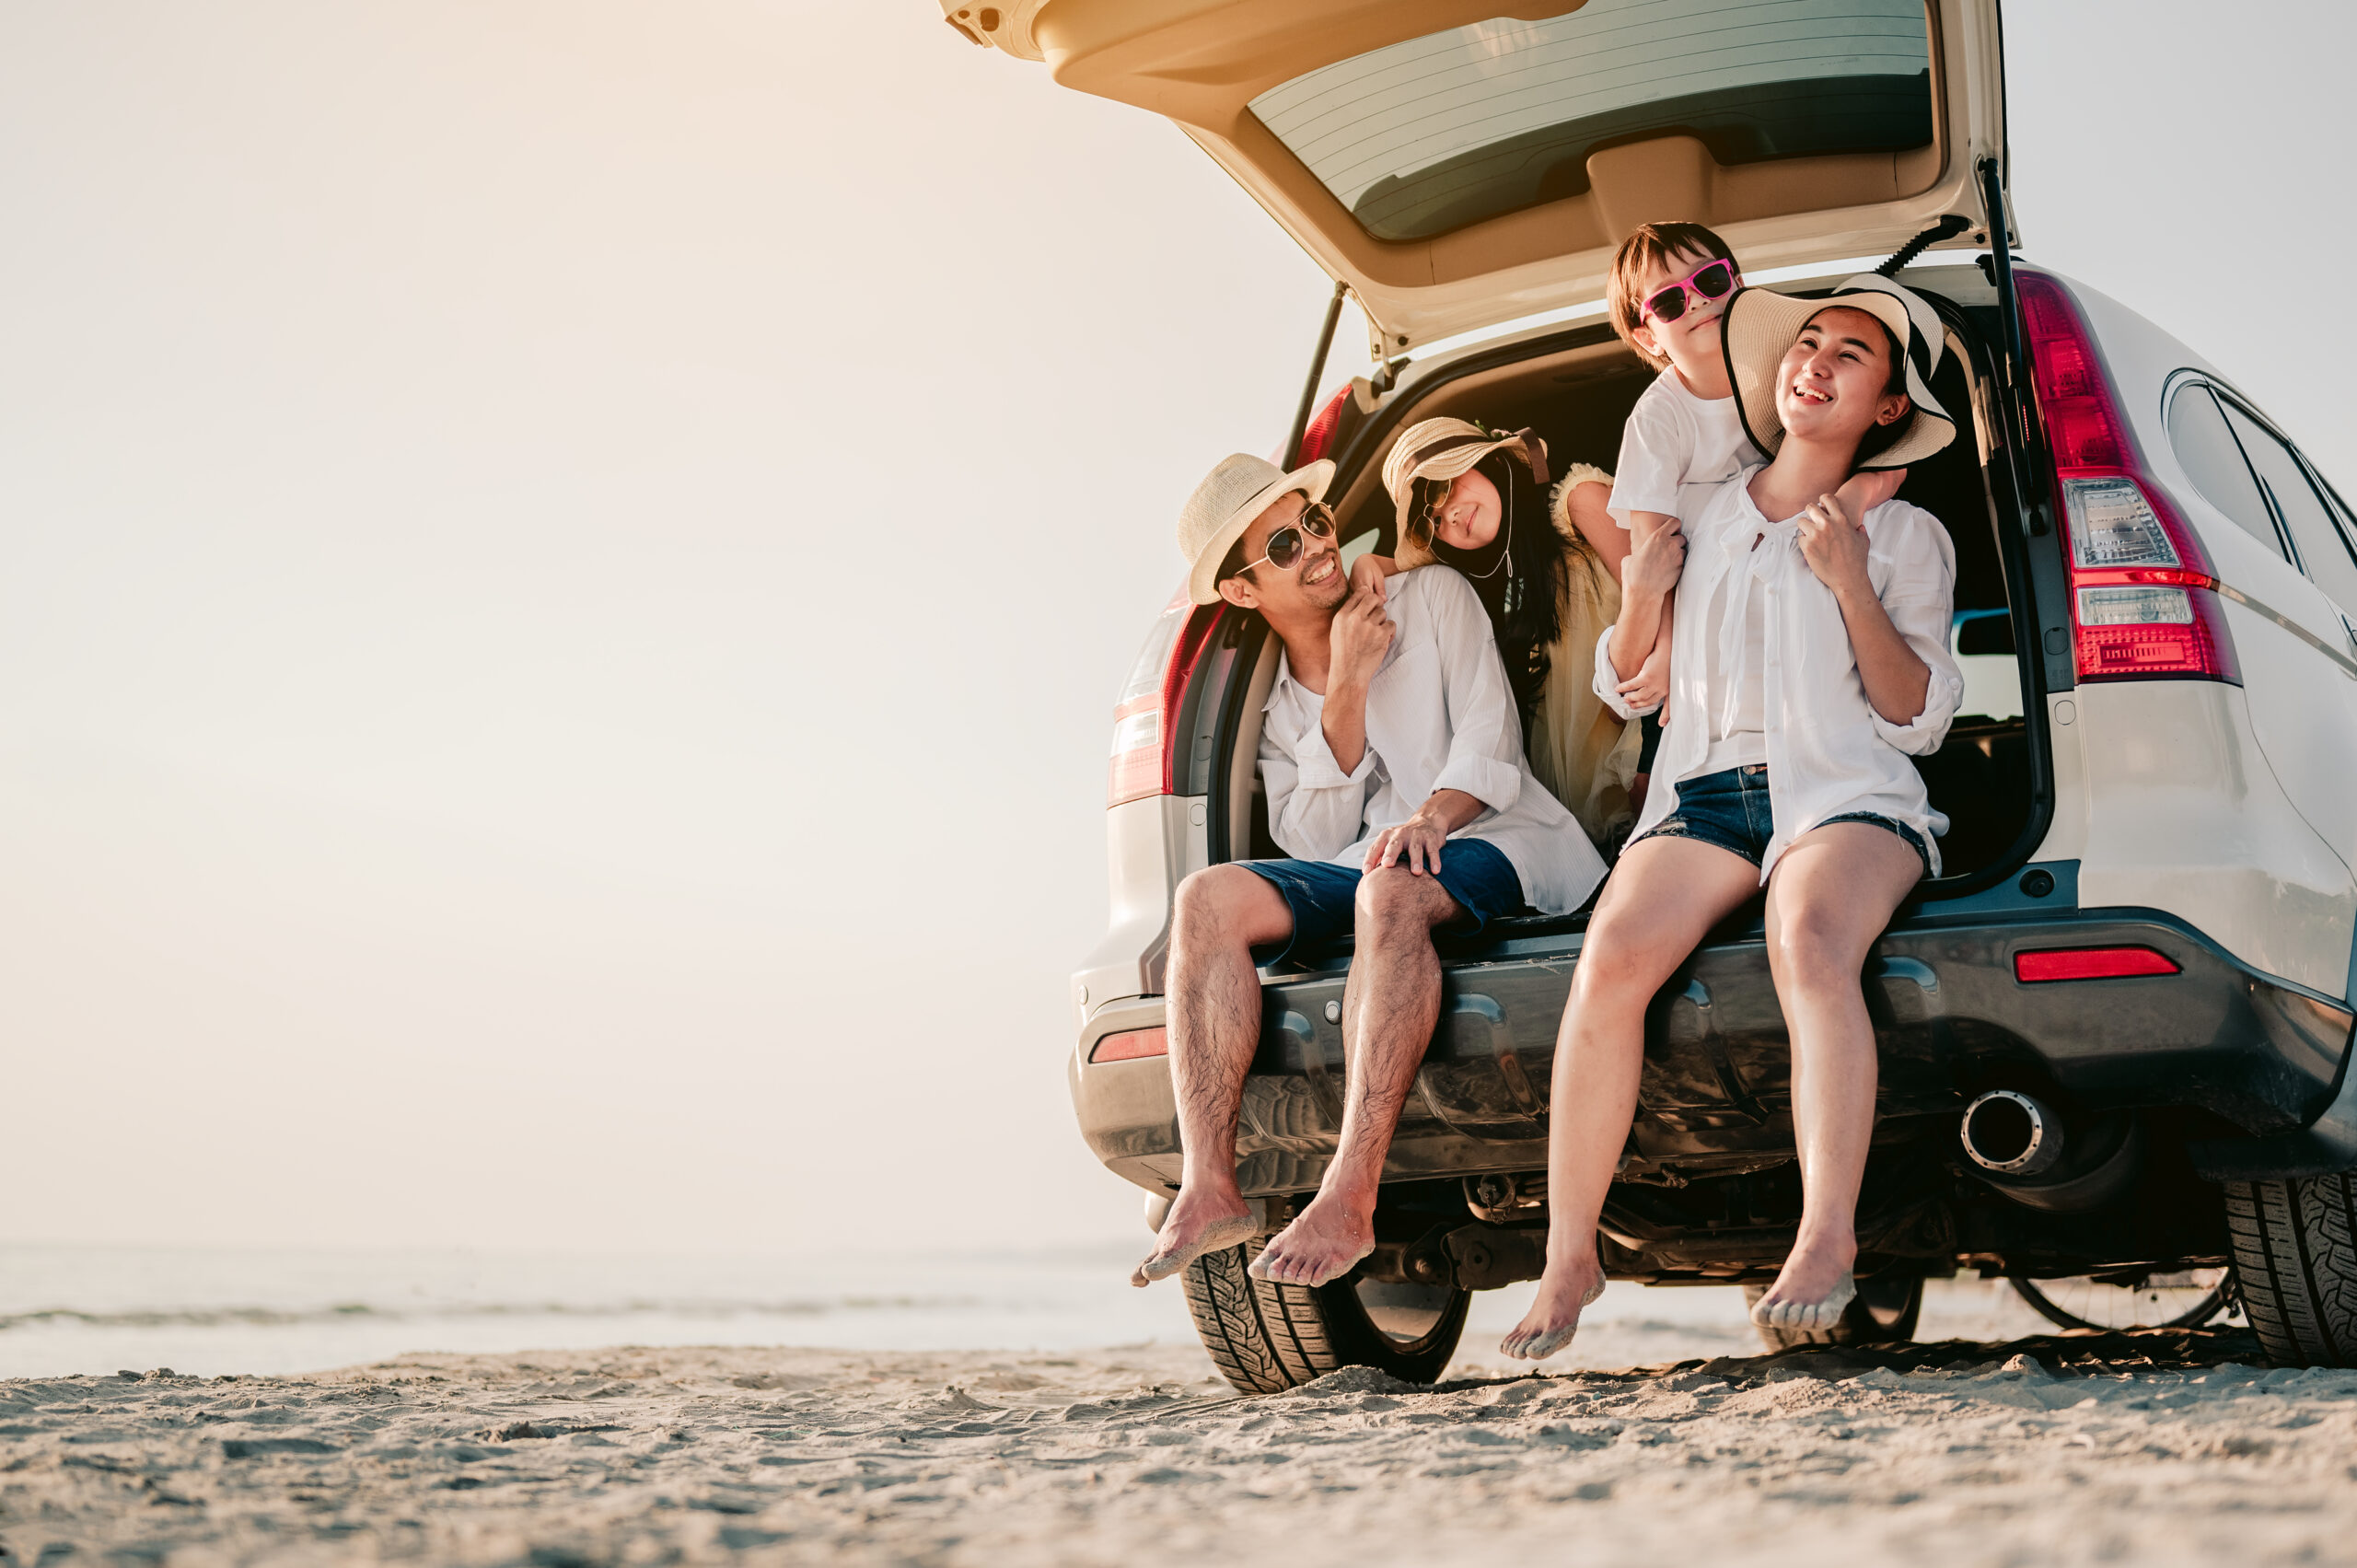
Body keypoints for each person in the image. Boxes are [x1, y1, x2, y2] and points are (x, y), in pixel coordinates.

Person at [1500, 276, 1966, 1359]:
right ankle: (1572, 1250)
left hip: (1844, 793)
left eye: (1851, 355)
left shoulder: (1905, 535)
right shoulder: (1706, 511)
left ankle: (1824, 1237)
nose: (1817, 360)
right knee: (1608, 959)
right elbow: (1632, 687)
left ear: (1885, 407)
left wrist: (1850, 580)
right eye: (1807, 341)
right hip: (1705, 793)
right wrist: (1643, 594)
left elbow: (1918, 717)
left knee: (1805, 939)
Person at [1132, 453, 1608, 1292]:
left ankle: (1351, 1193)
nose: (1317, 544)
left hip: (1502, 835)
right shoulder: (1276, 705)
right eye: (1283, 544)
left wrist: (1430, 817)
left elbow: (1491, 747)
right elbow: (1311, 834)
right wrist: (1345, 678)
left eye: (1314, 522)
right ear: (1244, 591)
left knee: (1388, 885)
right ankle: (1210, 1185)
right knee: (1203, 898)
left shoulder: (1430, 599)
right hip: (1372, 862)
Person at [1602, 222, 1903, 807]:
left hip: (1781, 556)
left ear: (1738, 283)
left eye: (1711, 279)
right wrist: (1668, 648)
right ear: (1649, 337)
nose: (1698, 301)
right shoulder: (1659, 415)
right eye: (1668, 301)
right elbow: (1653, 551)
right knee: (1664, 755)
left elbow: (1894, 460)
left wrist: (1854, 497)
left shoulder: (1788, 371)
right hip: (1698, 583)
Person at [1348, 419, 1640, 846]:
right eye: (1432, 522)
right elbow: (1415, 570)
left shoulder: (1579, 504)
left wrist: (1650, 747)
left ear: (1485, 459)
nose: (1451, 514)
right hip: (1575, 795)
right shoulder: (1487, 581)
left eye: (1442, 488)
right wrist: (1368, 563)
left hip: (1650, 735)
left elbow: (1670, 613)